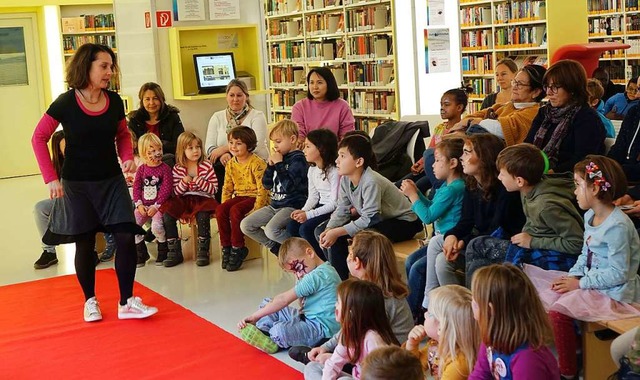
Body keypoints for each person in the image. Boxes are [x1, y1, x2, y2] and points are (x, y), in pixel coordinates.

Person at [31, 43, 157, 322]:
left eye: (111, 66)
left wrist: (127, 157)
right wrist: (51, 178)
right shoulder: (65, 102)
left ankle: (126, 302)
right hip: (78, 184)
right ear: (86, 67)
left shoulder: (113, 101)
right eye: (104, 66)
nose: (110, 72)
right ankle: (90, 300)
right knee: (85, 243)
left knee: (126, 236)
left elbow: (123, 135)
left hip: (111, 180)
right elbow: (38, 138)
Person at [524, 155, 640, 379]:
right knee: (549, 294)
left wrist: (580, 283)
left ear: (595, 189)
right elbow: (585, 253)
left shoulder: (617, 226)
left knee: (559, 313)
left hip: (615, 292)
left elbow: (619, 273)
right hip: (592, 282)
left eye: (578, 185)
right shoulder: (590, 216)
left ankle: (567, 372)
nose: (574, 191)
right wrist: (574, 275)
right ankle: (578, 348)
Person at [464, 143, 584, 285]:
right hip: (534, 244)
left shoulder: (546, 205)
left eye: (502, 173)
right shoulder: (527, 190)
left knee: (477, 245)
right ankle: (479, 300)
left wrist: (532, 241)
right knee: (480, 262)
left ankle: (476, 301)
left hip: (554, 256)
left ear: (519, 181)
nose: (499, 177)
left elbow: (577, 243)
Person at [294, 231, 414, 365]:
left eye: (350, 254)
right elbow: (351, 329)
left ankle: (318, 361)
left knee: (318, 366)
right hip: (380, 353)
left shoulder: (373, 299)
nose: (347, 257)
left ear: (356, 262)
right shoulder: (376, 290)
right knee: (324, 346)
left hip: (385, 364)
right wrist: (326, 347)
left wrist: (332, 357)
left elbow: (358, 337)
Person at [319, 134, 423, 280]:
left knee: (364, 237)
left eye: (342, 156)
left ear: (359, 162)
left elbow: (370, 219)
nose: (336, 161)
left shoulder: (371, 181)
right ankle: (339, 280)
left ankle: (368, 281)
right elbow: (342, 210)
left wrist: (337, 231)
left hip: (405, 221)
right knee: (326, 232)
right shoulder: (345, 180)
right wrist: (330, 229)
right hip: (380, 220)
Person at [434, 134, 524, 302]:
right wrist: (453, 236)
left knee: (470, 261)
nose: (462, 158)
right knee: (441, 259)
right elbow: (466, 221)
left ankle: (472, 312)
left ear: (484, 157)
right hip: (477, 242)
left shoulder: (504, 188)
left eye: (467, 152)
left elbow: (496, 230)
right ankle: (449, 308)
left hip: (500, 246)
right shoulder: (472, 184)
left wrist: (463, 241)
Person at [237, 237, 341, 353]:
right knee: (267, 302)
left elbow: (284, 300)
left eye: (298, 268)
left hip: (321, 330)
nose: (298, 275)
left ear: (310, 253)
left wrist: (255, 317)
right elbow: (301, 303)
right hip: (307, 318)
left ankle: (273, 337)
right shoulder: (310, 272)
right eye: (294, 272)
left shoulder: (319, 275)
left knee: (279, 330)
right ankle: (264, 332)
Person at [399, 138, 466, 318]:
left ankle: (418, 312)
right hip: (438, 241)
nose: (433, 166)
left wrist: (413, 196)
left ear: (452, 163)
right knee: (410, 261)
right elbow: (432, 207)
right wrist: (418, 193)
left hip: (446, 242)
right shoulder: (447, 186)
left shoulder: (454, 188)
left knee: (417, 268)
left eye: (437, 161)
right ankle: (418, 308)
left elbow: (427, 217)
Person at [469, 264, 560, 379]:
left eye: (475, 301)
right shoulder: (491, 338)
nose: (471, 303)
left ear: (490, 309)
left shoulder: (527, 359)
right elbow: (480, 375)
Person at [303, 279, 399, 380]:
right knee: (312, 367)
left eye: (338, 302)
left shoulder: (373, 339)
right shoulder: (349, 332)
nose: (335, 305)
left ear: (350, 312)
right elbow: (334, 363)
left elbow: (383, 375)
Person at [525, 59, 606, 173]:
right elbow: (527, 146)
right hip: (537, 172)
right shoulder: (544, 113)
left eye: (555, 87)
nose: (549, 92)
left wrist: (552, 172)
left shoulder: (587, 118)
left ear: (572, 88)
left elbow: (584, 161)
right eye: (547, 86)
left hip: (569, 178)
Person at [240, 119, 308, 255]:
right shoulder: (279, 157)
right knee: (246, 225)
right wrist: (271, 166)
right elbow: (266, 184)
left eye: (278, 141)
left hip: (292, 205)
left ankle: (301, 250)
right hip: (274, 205)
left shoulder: (298, 159)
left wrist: (279, 165)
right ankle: (277, 249)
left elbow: (289, 187)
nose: (275, 146)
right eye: (273, 142)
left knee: (271, 230)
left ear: (293, 139)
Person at [395, 88, 469, 194]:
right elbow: (430, 148)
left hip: (444, 170)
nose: (442, 108)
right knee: (400, 184)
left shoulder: (461, 131)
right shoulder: (440, 128)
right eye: (441, 105)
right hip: (430, 166)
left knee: (417, 187)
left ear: (459, 107)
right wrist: (420, 163)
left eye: (447, 105)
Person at [160, 131, 218, 267]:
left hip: (203, 198)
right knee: (168, 212)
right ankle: (174, 251)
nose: (195, 151)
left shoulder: (207, 165)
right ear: (182, 150)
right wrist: (184, 183)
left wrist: (200, 181)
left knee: (202, 215)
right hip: (185, 199)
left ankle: (203, 250)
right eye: (190, 148)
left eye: (197, 147)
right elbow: (176, 192)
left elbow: (214, 189)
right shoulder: (178, 168)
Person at [205, 79, 268, 201]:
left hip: (253, 164)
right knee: (216, 166)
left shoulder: (257, 116)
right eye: (231, 95)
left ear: (246, 96)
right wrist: (222, 155)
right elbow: (209, 148)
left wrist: (226, 151)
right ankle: (221, 206)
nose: (235, 99)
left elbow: (256, 145)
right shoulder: (217, 117)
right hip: (225, 164)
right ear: (226, 96)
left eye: (239, 95)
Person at [454, 64, 547, 146]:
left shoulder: (534, 112)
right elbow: (473, 116)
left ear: (536, 92)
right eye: (514, 82)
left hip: (502, 159)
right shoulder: (503, 106)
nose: (514, 86)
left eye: (520, 84)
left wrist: (472, 122)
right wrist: (469, 122)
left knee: (475, 131)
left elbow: (503, 128)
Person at [216, 126, 269, 271]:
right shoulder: (231, 164)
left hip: (255, 196)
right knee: (221, 209)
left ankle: (238, 247)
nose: (233, 147)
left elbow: (263, 189)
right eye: (231, 142)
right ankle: (226, 246)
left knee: (235, 210)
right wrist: (224, 206)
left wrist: (256, 210)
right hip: (239, 196)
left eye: (238, 143)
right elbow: (227, 188)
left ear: (249, 145)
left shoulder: (257, 163)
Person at [405, 285, 480, 380]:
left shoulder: (458, 367)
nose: (425, 314)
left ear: (442, 327)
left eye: (430, 313)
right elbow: (414, 368)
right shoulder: (436, 344)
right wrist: (412, 345)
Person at [287, 129, 339, 259]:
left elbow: (334, 203)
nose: (304, 150)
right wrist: (302, 211)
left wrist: (308, 215)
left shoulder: (335, 171)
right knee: (292, 226)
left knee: (306, 229)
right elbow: (313, 197)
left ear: (321, 149)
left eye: (308, 146)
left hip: (332, 209)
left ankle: (322, 262)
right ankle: (305, 259)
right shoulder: (312, 170)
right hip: (320, 206)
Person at [131, 133, 172, 267]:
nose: (157, 153)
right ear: (144, 153)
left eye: (159, 149)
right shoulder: (141, 169)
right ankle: (140, 253)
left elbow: (166, 189)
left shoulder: (165, 169)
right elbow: (136, 187)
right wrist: (139, 205)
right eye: (152, 151)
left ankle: (163, 250)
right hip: (144, 206)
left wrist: (156, 206)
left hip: (159, 206)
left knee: (156, 227)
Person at [292, 66, 355, 146]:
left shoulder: (342, 106)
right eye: (311, 83)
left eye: (319, 82)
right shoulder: (299, 107)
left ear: (329, 84)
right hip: (307, 153)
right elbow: (299, 137)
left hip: (335, 153)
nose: (315, 87)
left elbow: (347, 137)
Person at [127, 82, 184, 167]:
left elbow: (180, 144)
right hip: (144, 164)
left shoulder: (172, 117)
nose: (151, 102)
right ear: (142, 101)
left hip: (170, 162)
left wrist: (158, 146)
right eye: (147, 99)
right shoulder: (134, 119)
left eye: (155, 98)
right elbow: (133, 147)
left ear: (161, 99)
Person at [607, 76, 640, 182]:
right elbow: (619, 147)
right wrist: (604, 166)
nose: (637, 95)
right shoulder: (634, 112)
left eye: (639, 90)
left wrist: (617, 172)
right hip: (622, 177)